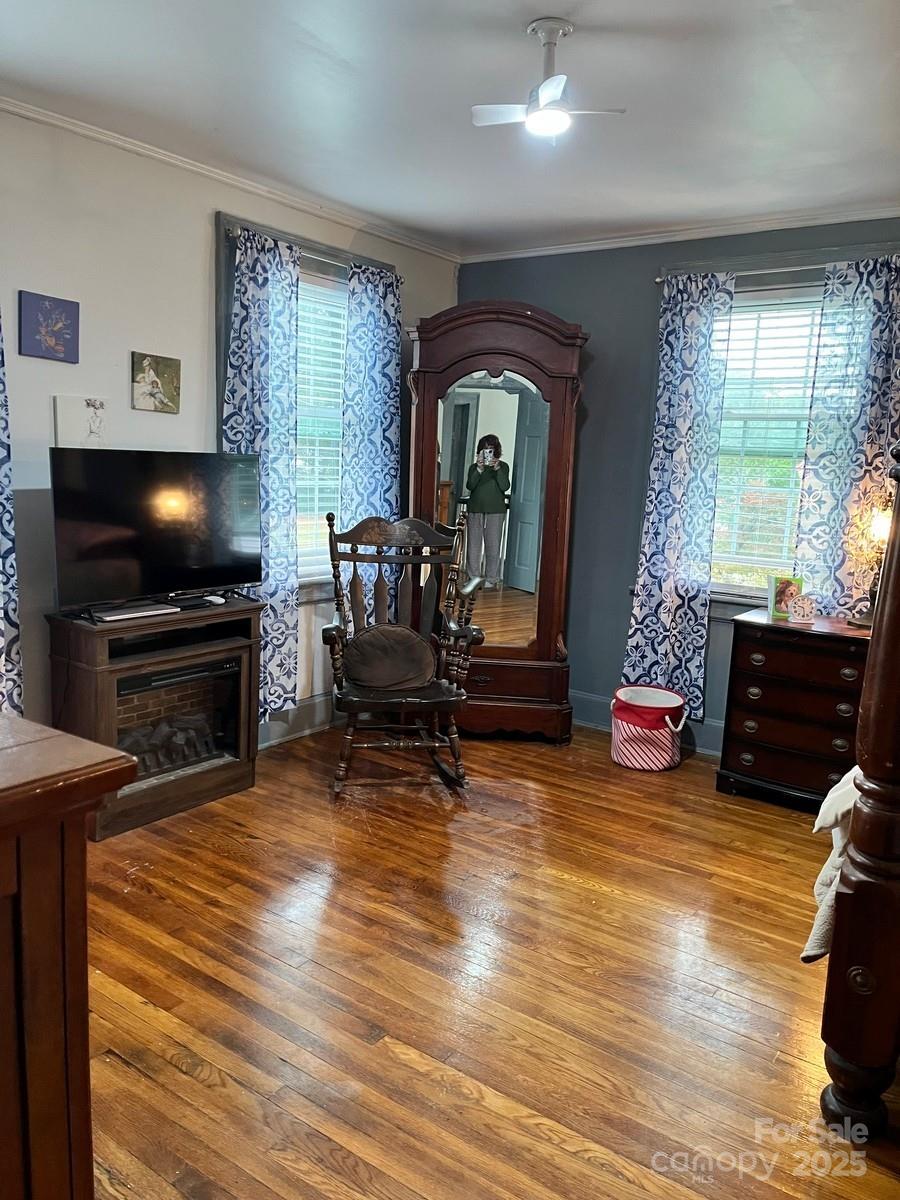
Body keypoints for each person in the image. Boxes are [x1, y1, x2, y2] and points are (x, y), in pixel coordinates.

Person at [466, 434, 510, 588]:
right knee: (473, 545)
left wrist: (497, 469)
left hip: (496, 511)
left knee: (493, 545)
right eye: (485, 449)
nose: (488, 452)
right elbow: (470, 486)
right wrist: (479, 469)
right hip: (475, 509)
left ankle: (492, 579)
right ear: (480, 451)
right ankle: (473, 577)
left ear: (496, 450)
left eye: (490, 449)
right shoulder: (474, 467)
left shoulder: (503, 467)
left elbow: (505, 486)